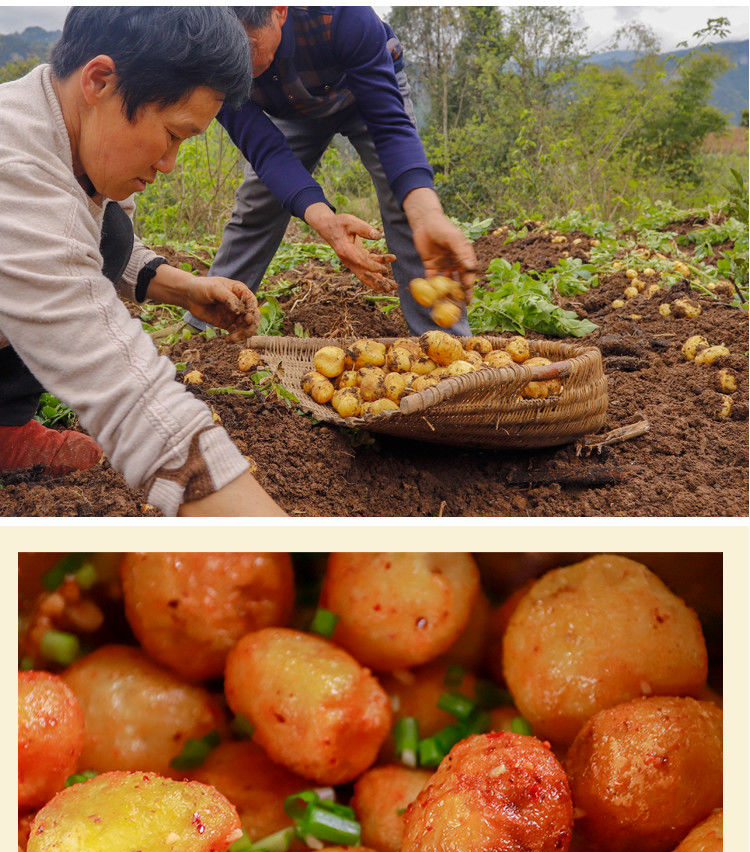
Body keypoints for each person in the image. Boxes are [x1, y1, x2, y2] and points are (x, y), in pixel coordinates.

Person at [0, 6, 285, 516]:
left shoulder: (69, 129)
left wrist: (186, 290)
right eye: (173, 135)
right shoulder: (15, 172)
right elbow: (129, 396)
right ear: (101, 80)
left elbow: (100, 246)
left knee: (111, 230)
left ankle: (5, 429)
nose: (169, 164)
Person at [186, 6, 477, 337]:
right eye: (228, 49)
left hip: (365, 91)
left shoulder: (342, 15)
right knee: (258, 203)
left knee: (407, 203)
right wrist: (325, 221)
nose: (237, 61)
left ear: (279, 11)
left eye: (249, 45)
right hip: (291, 110)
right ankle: (207, 327)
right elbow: (265, 150)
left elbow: (390, 125)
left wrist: (426, 213)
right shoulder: (212, 53)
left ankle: (446, 343)